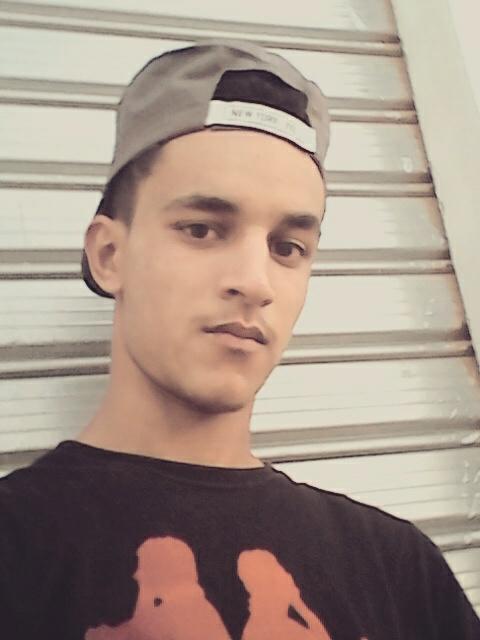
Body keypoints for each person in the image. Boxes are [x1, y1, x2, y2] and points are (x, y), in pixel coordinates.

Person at [0, 38, 478, 640]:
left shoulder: (399, 569)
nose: (256, 283)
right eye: (202, 229)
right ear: (110, 255)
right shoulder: (17, 552)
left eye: (288, 247)